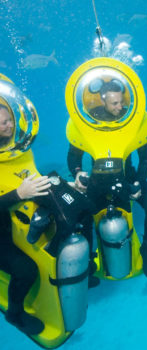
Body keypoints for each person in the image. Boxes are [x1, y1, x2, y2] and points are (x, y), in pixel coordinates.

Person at [67, 80, 147, 279]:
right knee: (82, 214)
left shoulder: (134, 120)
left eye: (121, 102)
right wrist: (77, 173)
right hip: (97, 181)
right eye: (114, 104)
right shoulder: (89, 122)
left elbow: (145, 158)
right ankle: (90, 259)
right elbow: (74, 157)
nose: (121, 107)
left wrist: (138, 181)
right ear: (103, 101)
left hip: (128, 177)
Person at [0, 104, 52, 334]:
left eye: (9, 119)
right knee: (26, 269)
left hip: (11, 222)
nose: (10, 125)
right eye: (3, 123)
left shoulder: (16, 148)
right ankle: (14, 314)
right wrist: (19, 194)